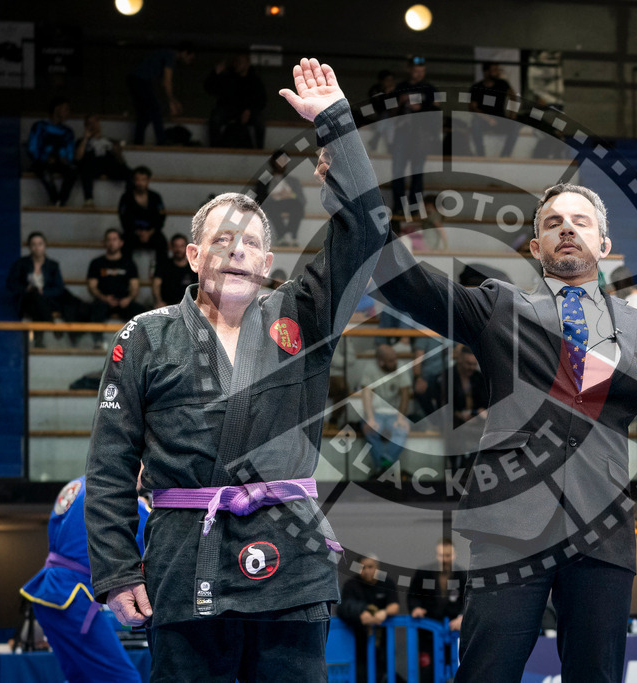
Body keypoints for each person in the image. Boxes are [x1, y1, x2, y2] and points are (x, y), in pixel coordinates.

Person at [372, 181, 637, 682]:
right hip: (510, 524)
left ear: (603, 246)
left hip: (602, 530)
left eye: (581, 222)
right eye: (552, 223)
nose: (566, 228)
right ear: (536, 248)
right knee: (487, 673)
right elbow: (407, 282)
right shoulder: (500, 309)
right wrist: (350, 186)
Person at [85, 58, 389, 682]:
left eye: (250, 241)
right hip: (184, 555)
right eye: (221, 241)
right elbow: (110, 462)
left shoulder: (303, 315)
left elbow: (364, 231)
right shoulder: (145, 336)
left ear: (269, 260)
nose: (237, 250)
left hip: (290, 557)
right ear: (194, 255)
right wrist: (116, 571)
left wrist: (335, 124)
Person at [20, 476, 150, 683]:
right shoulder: (120, 498)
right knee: (123, 678)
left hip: (50, 591)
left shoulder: (77, 485)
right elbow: (150, 545)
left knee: (80, 677)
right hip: (74, 597)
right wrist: (146, 509)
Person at [5, 233, 79, 347]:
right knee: (34, 296)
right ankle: (52, 326)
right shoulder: (21, 263)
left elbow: (59, 287)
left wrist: (43, 292)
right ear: (29, 246)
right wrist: (26, 289)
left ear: (45, 245)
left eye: (40, 244)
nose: (37, 247)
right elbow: (11, 284)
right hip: (28, 300)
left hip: (48, 300)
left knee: (41, 299)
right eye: (33, 244)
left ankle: (39, 339)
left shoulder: (53, 265)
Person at [408, 539, 466, 683]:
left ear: (454, 555)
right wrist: (415, 608)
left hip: (453, 633)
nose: (445, 559)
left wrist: (462, 617)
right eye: (442, 555)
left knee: (453, 672)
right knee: (427, 672)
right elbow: (413, 595)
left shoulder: (462, 575)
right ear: (437, 555)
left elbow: (468, 601)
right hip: (428, 632)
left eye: (448, 555)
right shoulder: (424, 573)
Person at [339, 555, 401, 682]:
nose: (367, 570)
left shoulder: (386, 583)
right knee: (361, 675)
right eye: (363, 567)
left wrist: (383, 613)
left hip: (383, 643)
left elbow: (394, 606)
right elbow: (343, 608)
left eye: (370, 567)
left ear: (377, 568)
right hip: (357, 643)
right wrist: (360, 614)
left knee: (384, 674)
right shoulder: (351, 585)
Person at [391, 57, 438, 215]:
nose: (419, 74)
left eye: (422, 71)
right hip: (402, 131)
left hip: (421, 133)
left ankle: (414, 207)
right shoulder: (401, 87)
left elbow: (437, 110)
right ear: (410, 70)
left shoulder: (429, 88)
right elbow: (391, 110)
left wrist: (421, 107)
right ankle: (398, 206)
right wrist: (401, 101)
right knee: (398, 170)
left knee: (417, 171)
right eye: (416, 71)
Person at [128, 42, 195, 146]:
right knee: (155, 109)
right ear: (185, 53)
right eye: (190, 58)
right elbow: (167, 81)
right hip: (140, 80)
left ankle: (138, 142)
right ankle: (161, 141)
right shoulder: (171, 56)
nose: (189, 61)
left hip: (136, 80)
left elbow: (164, 83)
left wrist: (173, 101)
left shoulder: (165, 54)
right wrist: (172, 102)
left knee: (145, 115)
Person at [360, 344, 412, 471]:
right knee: (370, 430)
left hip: (394, 413)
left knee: (402, 430)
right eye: (391, 361)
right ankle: (384, 466)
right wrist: (370, 418)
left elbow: (406, 394)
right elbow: (366, 394)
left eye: (395, 359)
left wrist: (400, 417)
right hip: (376, 412)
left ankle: (383, 463)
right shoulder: (370, 369)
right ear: (381, 362)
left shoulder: (400, 367)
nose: (395, 362)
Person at [205, 53, 268, 149]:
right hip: (229, 110)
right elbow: (210, 89)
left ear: (247, 63)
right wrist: (215, 73)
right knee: (215, 118)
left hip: (248, 112)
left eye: (240, 62)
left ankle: (259, 151)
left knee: (259, 123)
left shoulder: (254, 80)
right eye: (236, 62)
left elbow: (261, 100)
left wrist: (249, 110)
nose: (237, 64)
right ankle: (214, 149)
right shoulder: (228, 77)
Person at [86, 229, 145, 327]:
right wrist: (104, 298)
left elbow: (135, 286)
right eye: (108, 240)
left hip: (124, 300)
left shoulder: (129, 263)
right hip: (103, 301)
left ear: (121, 243)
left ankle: (136, 341)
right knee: (93, 310)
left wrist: (128, 299)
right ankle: (97, 341)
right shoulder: (96, 263)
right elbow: (92, 287)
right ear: (104, 243)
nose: (111, 243)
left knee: (140, 313)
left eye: (114, 239)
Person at [28, 96, 77, 206]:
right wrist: (45, 158)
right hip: (42, 163)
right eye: (66, 109)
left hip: (60, 163)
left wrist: (64, 159)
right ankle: (54, 199)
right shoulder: (40, 126)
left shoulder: (68, 132)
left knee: (73, 170)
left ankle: (62, 200)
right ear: (57, 109)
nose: (68, 113)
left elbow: (70, 154)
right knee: (44, 171)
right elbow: (32, 149)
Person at [75, 114, 131, 207]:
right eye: (90, 123)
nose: (93, 125)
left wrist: (117, 153)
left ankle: (129, 200)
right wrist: (85, 138)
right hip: (91, 166)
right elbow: (78, 158)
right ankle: (89, 199)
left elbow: (121, 162)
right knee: (85, 168)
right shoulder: (82, 141)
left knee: (130, 173)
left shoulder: (109, 141)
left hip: (109, 166)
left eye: (95, 122)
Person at [118, 166, 168, 264]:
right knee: (123, 243)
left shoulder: (155, 197)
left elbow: (161, 217)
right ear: (133, 180)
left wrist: (149, 233)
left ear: (148, 180)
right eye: (137, 179)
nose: (140, 183)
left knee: (162, 242)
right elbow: (124, 219)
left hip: (152, 232)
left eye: (143, 180)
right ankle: (129, 274)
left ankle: (160, 275)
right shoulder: (126, 197)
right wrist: (138, 232)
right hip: (132, 233)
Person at [468, 61, 519, 158]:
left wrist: (512, 115)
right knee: (475, 123)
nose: (497, 72)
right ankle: (481, 154)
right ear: (486, 72)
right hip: (484, 120)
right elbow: (472, 108)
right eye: (494, 70)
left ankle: (505, 155)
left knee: (515, 125)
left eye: (497, 70)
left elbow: (513, 97)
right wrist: (487, 118)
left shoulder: (502, 84)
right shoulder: (477, 87)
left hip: (500, 119)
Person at [151, 234, 196, 308]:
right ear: (171, 247)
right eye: (176, 246)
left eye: (181, 246)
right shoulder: (163, 266)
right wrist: (159, 301)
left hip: (188, 307)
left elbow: (199, 289)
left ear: (187, 248)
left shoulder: (194, 267)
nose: (178, 249)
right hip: (167, 306)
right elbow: (156, 285)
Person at [366, 69, 397, 153]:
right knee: (386, 116)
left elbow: (393, 109)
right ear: (382, 81)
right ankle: (389, 145)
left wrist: (390, 94)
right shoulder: (375, 90)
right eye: (387, 80)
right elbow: (378, 107)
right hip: (374, 116)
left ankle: (376, 138)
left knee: (388, 120)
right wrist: (386, 94)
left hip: (387, 118)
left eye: (391, 80)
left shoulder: (394, 91)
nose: (390, 83)